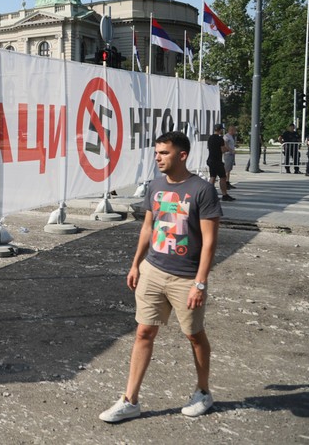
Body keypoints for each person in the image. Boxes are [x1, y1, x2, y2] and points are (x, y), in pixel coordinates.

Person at [99, 131, 222, 423]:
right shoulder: (154, 186)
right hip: (152, 271)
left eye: (164, 153)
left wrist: (200, 283)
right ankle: (130, 400)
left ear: (182, 155)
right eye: (156, 153)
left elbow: (209, 242)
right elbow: (147, 229)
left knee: (194, 335)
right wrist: (135, 265)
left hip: (185, 278)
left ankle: (203, 391)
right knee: (144, 332)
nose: (158, 158)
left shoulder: (202, 190)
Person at [206, 124, 233, 201]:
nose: (222, 131)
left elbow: (209, 148)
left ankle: (209, 194)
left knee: (212, 177)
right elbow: (222, 150)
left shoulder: (210, 138)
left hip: (210, 159)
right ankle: (224, 195)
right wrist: (227, 149)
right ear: (220, 130)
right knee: (223, 177)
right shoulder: (220, 139)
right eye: (222, 129)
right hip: (217, 161)